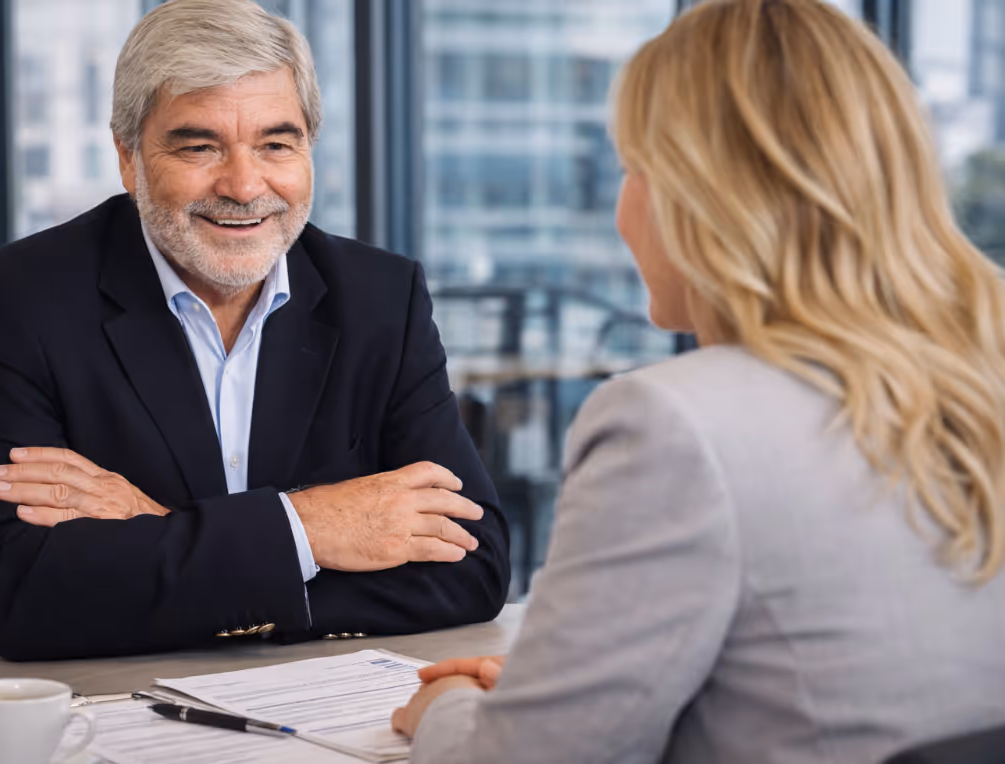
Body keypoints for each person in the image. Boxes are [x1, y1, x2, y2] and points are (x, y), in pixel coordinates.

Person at [392, 0, 1005, 761]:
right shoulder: (978, 375)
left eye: (631, 168)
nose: (623, 207)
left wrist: (448, 706)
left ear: (695, 194)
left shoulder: (675, 424)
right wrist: (567, 687)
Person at [0, 0, 509, 661]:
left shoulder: (381, 298)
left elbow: (473, 566)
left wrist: (165, 532)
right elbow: (24, 595)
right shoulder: (19, 300)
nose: (244, 186)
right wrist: (309, 530)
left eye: (276, 144)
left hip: (326, 701)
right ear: (128, 157)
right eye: (199, 146)